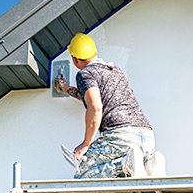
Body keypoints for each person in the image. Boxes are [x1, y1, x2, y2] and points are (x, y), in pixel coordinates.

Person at [55, 32, 155, 179]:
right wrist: (67, 89)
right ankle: (151, 164)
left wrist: (86, 143)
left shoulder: (85, 73)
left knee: (82, 171)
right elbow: (94, 96)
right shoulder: (115, 71)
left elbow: (95, 107)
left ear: (75, 59)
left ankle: (126, 163)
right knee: (126, 175)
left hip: (121, 135)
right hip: (147, 137)